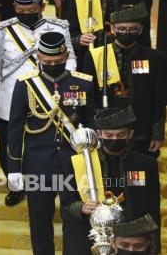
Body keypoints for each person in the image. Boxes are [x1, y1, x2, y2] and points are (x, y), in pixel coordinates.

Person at [7, 32, 96, 255]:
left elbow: (92, 121)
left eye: (58, 62)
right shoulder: (26, 85)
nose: (53, 65)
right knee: (39, 223)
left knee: (76, 220)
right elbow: (15, 129)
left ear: (66, 56)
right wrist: (14, 169)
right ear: (38, 57)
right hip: (38, 165)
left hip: (75, 164)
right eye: (47, 62)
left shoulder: (82, 83)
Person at [0, 0, 76, 206]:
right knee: (6, 147)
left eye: (31, 10)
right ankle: (16, 186)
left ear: (40, 5)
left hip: (49, 96)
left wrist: (65, 85)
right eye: (21, 11)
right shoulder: (2, 29)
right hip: (11, 97)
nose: (26, 14)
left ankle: (49, 187)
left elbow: (71, 59)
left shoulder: (58, 26)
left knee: (44, 146)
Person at [63, 106, 160, 254]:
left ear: (130, 134)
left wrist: (154, 246)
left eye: (120, 135)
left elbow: (153, 207)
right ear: (99, 134)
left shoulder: (146, 164)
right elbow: (67, 201)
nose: (114, 139)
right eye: (109, 135)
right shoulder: (80, 163)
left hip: (129, 241)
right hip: (91, 236)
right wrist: (82, 207)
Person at [84, 2, 166, 157]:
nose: (126, 32)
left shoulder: (154, 57)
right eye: (121, 29)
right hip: (107, 133)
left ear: (140, 30)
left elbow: (159, 98)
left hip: (142, 131)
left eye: (132, 29)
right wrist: (95, 129)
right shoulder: (96, 56)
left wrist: (157, 133)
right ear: (113, 29)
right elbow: (89, 97)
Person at [66, 0, 150, 69]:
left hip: (127, 61)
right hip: (89, 60)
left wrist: (143, 68)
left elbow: (143, 37)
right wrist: (79, 39)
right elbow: (70, 32)